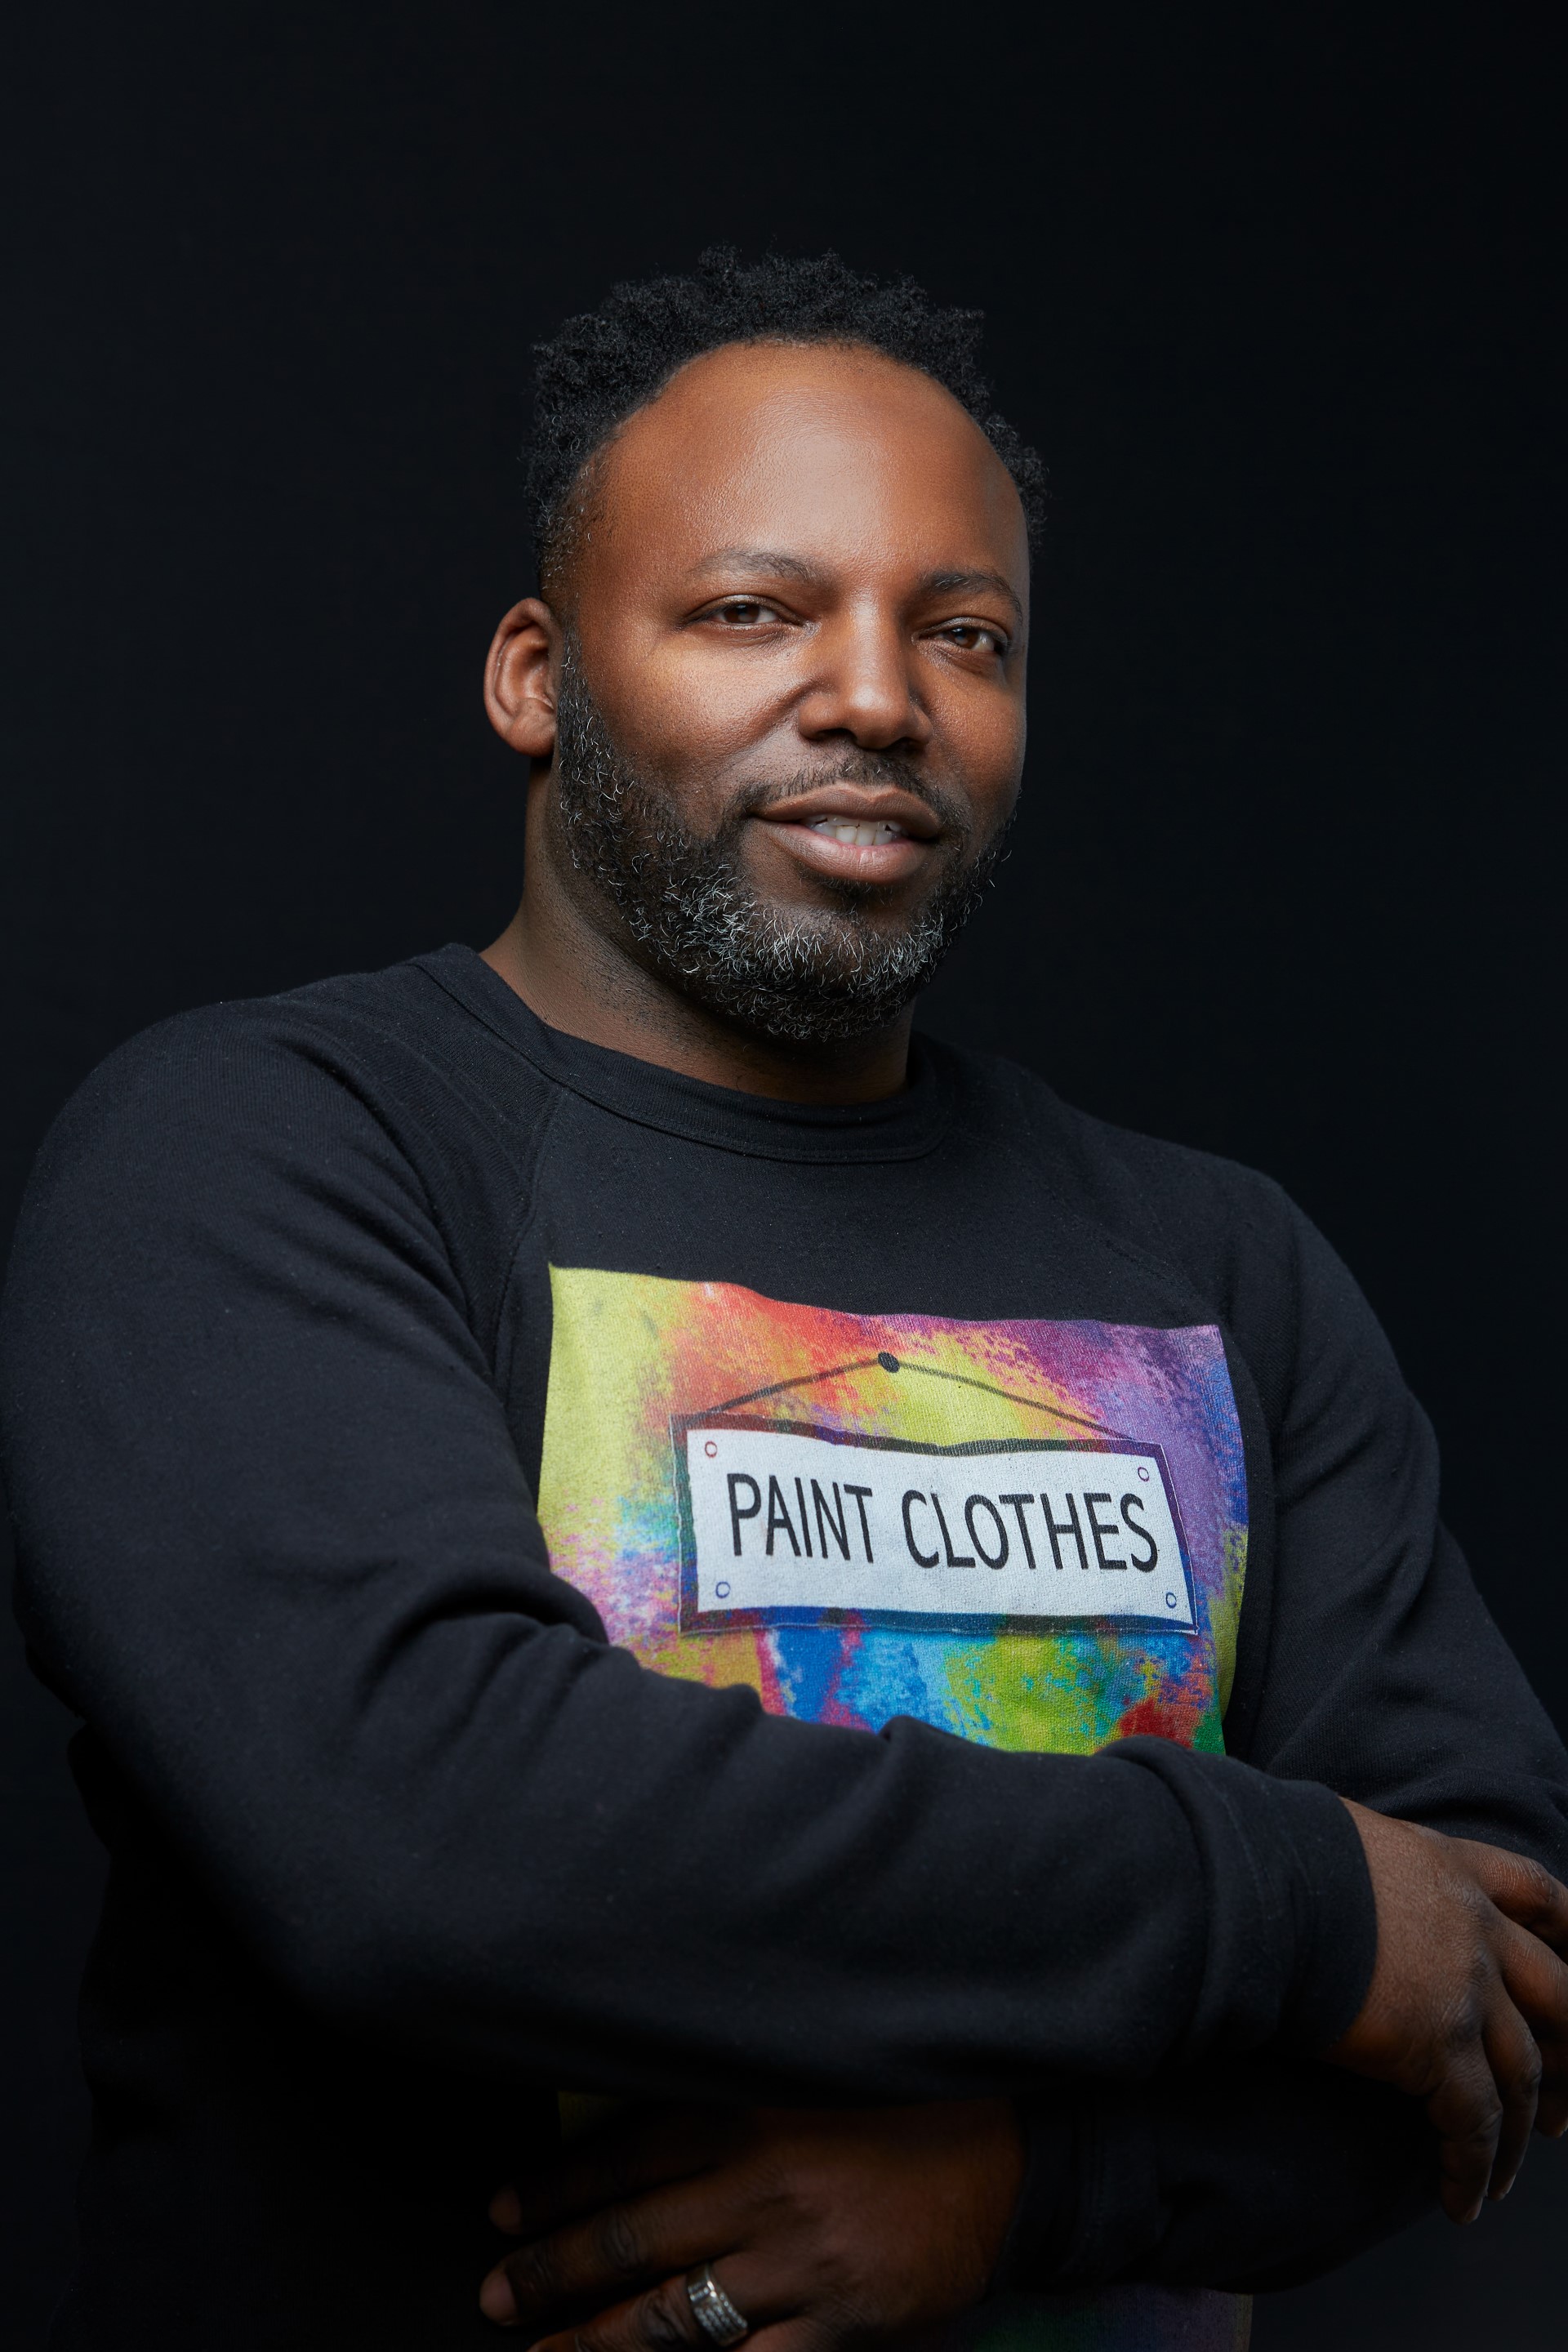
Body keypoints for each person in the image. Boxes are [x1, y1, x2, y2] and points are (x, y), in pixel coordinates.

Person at [2, 249, 1566, 2352]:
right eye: (756, 609)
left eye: (965, 633)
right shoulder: (268, 1150)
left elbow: (1494, 1979)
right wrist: (1286, 1902)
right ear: (537, 676)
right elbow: (444, 1840)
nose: (876, 698)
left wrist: (1038, 2189)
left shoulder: (1221, 1265)